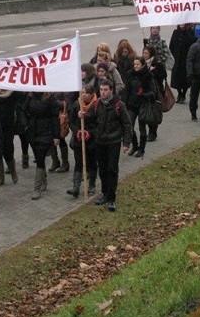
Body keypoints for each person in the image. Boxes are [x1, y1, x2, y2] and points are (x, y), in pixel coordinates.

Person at [80, 78, 132, 212]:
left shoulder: (119, 105)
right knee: (102, 169)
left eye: (105, 90)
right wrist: (82, 115)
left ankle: (111, 198)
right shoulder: (97, 104)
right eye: (101, 90)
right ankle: (104, 193)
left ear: (111, 90)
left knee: (112, 169)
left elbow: (127, 124)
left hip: (113, 141)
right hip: (100, 141)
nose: (103, 92)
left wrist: (126, 142)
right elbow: (91, 116)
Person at [23, 92, 59, 200]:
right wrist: (25, 125)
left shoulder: (50, 98)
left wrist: (56, 135)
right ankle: (43, 179)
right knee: (38, 157)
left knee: (40, 157)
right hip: (33, 131)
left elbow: (55, 117)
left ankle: (36, 188)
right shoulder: (30, 96)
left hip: (46, 131)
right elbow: (23, 111)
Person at [66, 84, 98, 198]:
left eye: (86, 93)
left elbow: (98, 124)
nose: (84, 95)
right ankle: (76, 187)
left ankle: (92, 185)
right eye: (83, 92)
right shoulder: (76, 104)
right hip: (78, 140)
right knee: (78, 162)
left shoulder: (96, 105)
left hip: (92, 141)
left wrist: (89, 132)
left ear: (92, 94)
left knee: (92, 163)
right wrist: (77, 131)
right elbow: (71, 121)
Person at [124, 55, 155, 157]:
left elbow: (153, 91)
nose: (136, 66)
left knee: (142, 128)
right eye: (134, 64)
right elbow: (126, 90)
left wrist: (144, 95)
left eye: (138, 64)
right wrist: (124, 102)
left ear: (143, 65)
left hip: (143, 105)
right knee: (130, 127)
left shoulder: (148, 75)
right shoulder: (129, 74)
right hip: (131, 105)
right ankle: (135, 145)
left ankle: (142, 149)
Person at [168, 23, 196, 104]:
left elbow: (193, 45)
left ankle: (183, 94)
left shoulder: (190, 33)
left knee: (185, 79)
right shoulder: (176, 32)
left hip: (186, 59)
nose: (181, 24)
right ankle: (179, 93)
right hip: (177, 59)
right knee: (176, 78)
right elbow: (172, 45)